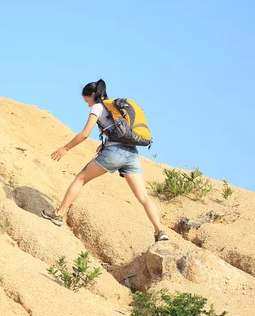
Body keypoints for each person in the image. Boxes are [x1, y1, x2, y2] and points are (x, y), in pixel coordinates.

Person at [41, 79, 169, 242]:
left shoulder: (98, 107)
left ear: (93, 95)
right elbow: (116, 131)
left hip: (115, 153)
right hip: (132, 154)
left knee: (80, 178)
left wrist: (65, 148)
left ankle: (58, 215)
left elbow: (85, 133)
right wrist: (104, 145)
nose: (87, 104)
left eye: (86, 100)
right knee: (143, 196)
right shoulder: (114, 108)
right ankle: (160, 232)